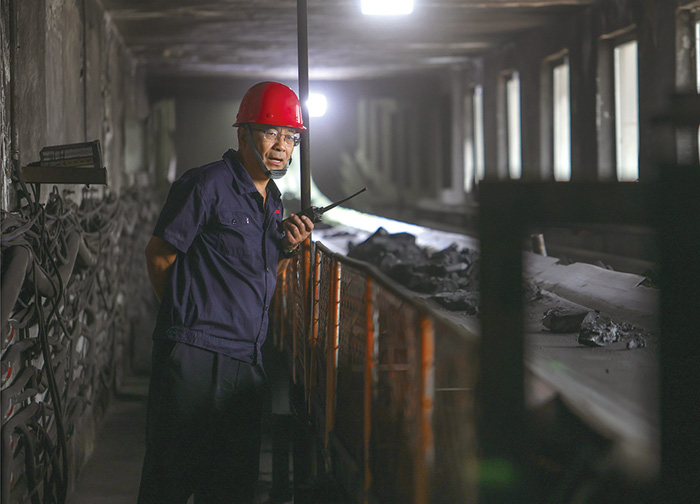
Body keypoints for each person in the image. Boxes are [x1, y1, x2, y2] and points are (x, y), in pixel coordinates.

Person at [138, 81, 314, 504]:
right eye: (271, 133)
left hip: (246, 362)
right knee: (169, 482)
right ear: (243, 134)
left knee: (232, 487)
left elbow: (256, 272)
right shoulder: (205, 185)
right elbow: (159, 255)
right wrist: (185, 322)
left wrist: (287, 249)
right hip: (194, 359)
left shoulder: (273, 201)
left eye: (290, 137)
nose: (281, 146)